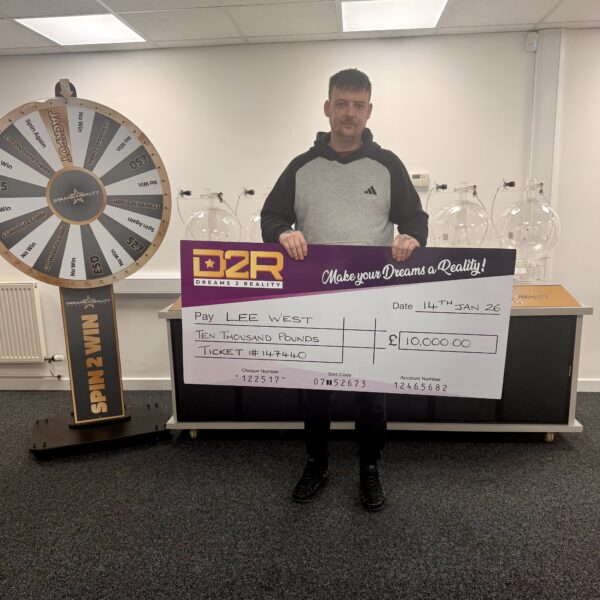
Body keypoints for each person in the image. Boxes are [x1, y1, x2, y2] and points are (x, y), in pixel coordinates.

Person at [261, 68, 428, 511]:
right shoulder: (301, 167)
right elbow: (271, 216)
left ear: (369, 111)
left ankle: (369, 468)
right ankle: (316, 463)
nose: (349, 113)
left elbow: (415, 220)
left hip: (371, 300)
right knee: (316, 390)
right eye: (341, 104)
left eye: (357, 105)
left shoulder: (388, 165)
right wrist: (282, 233)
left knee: (371, 395)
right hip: (316, 299)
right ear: (327, 108)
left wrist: (411, 237)